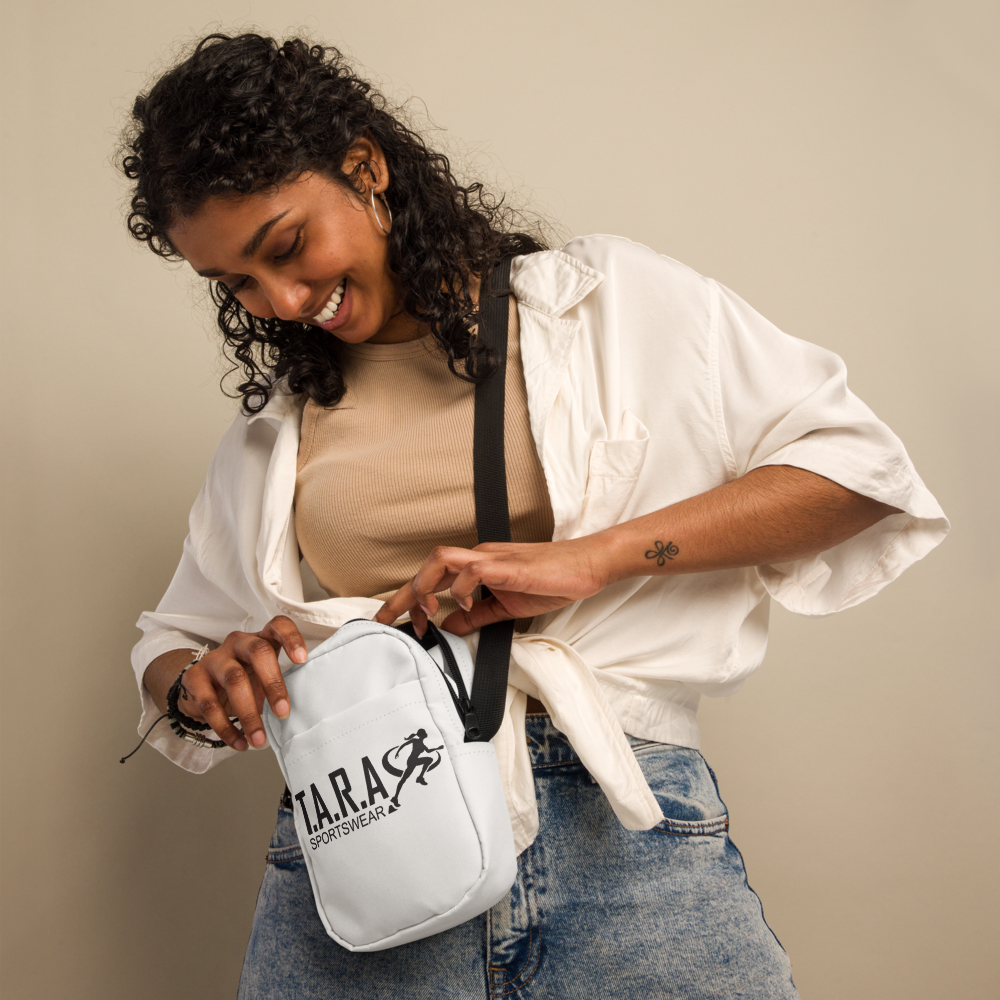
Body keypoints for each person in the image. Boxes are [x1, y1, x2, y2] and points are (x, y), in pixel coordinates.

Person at [121, 32, 948, 999]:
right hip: (367, 846)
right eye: (238, 284)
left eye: (287, 247)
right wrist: (204, 681)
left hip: (622, 835)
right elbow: (171, 644)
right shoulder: (278, 432)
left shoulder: (602, 306)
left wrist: (596, 558)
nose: (284, 301)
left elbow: (858, 474)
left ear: (366, 167)